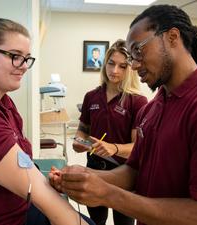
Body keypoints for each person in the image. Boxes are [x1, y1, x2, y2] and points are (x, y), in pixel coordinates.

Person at [49, 5, 197, 225]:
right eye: (132, 56)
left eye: (138, 50)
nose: (135, 64)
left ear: (172, 37)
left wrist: (108, 195)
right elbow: (136, 170)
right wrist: (85, 177)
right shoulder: (154, 106)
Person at [0, 18, 93, 225]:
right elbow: (36, 191)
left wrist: (41, 176)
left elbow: (19, 159)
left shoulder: (2, 101)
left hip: (15, 208)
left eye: (27, 58)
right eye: (15, 56)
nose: (23, 66)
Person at [72, 39, 147, 225]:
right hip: (95, 167)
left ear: (130, 69)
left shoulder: (137, 101)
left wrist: (113, 148)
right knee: (96, 220)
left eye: (122, 66)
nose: (115, 71)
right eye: (111, 64)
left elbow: (137, 146)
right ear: (105, 64)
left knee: (124, 222)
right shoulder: (92, 96)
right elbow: (82, 132)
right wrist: (81, 143)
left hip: (124, 172)